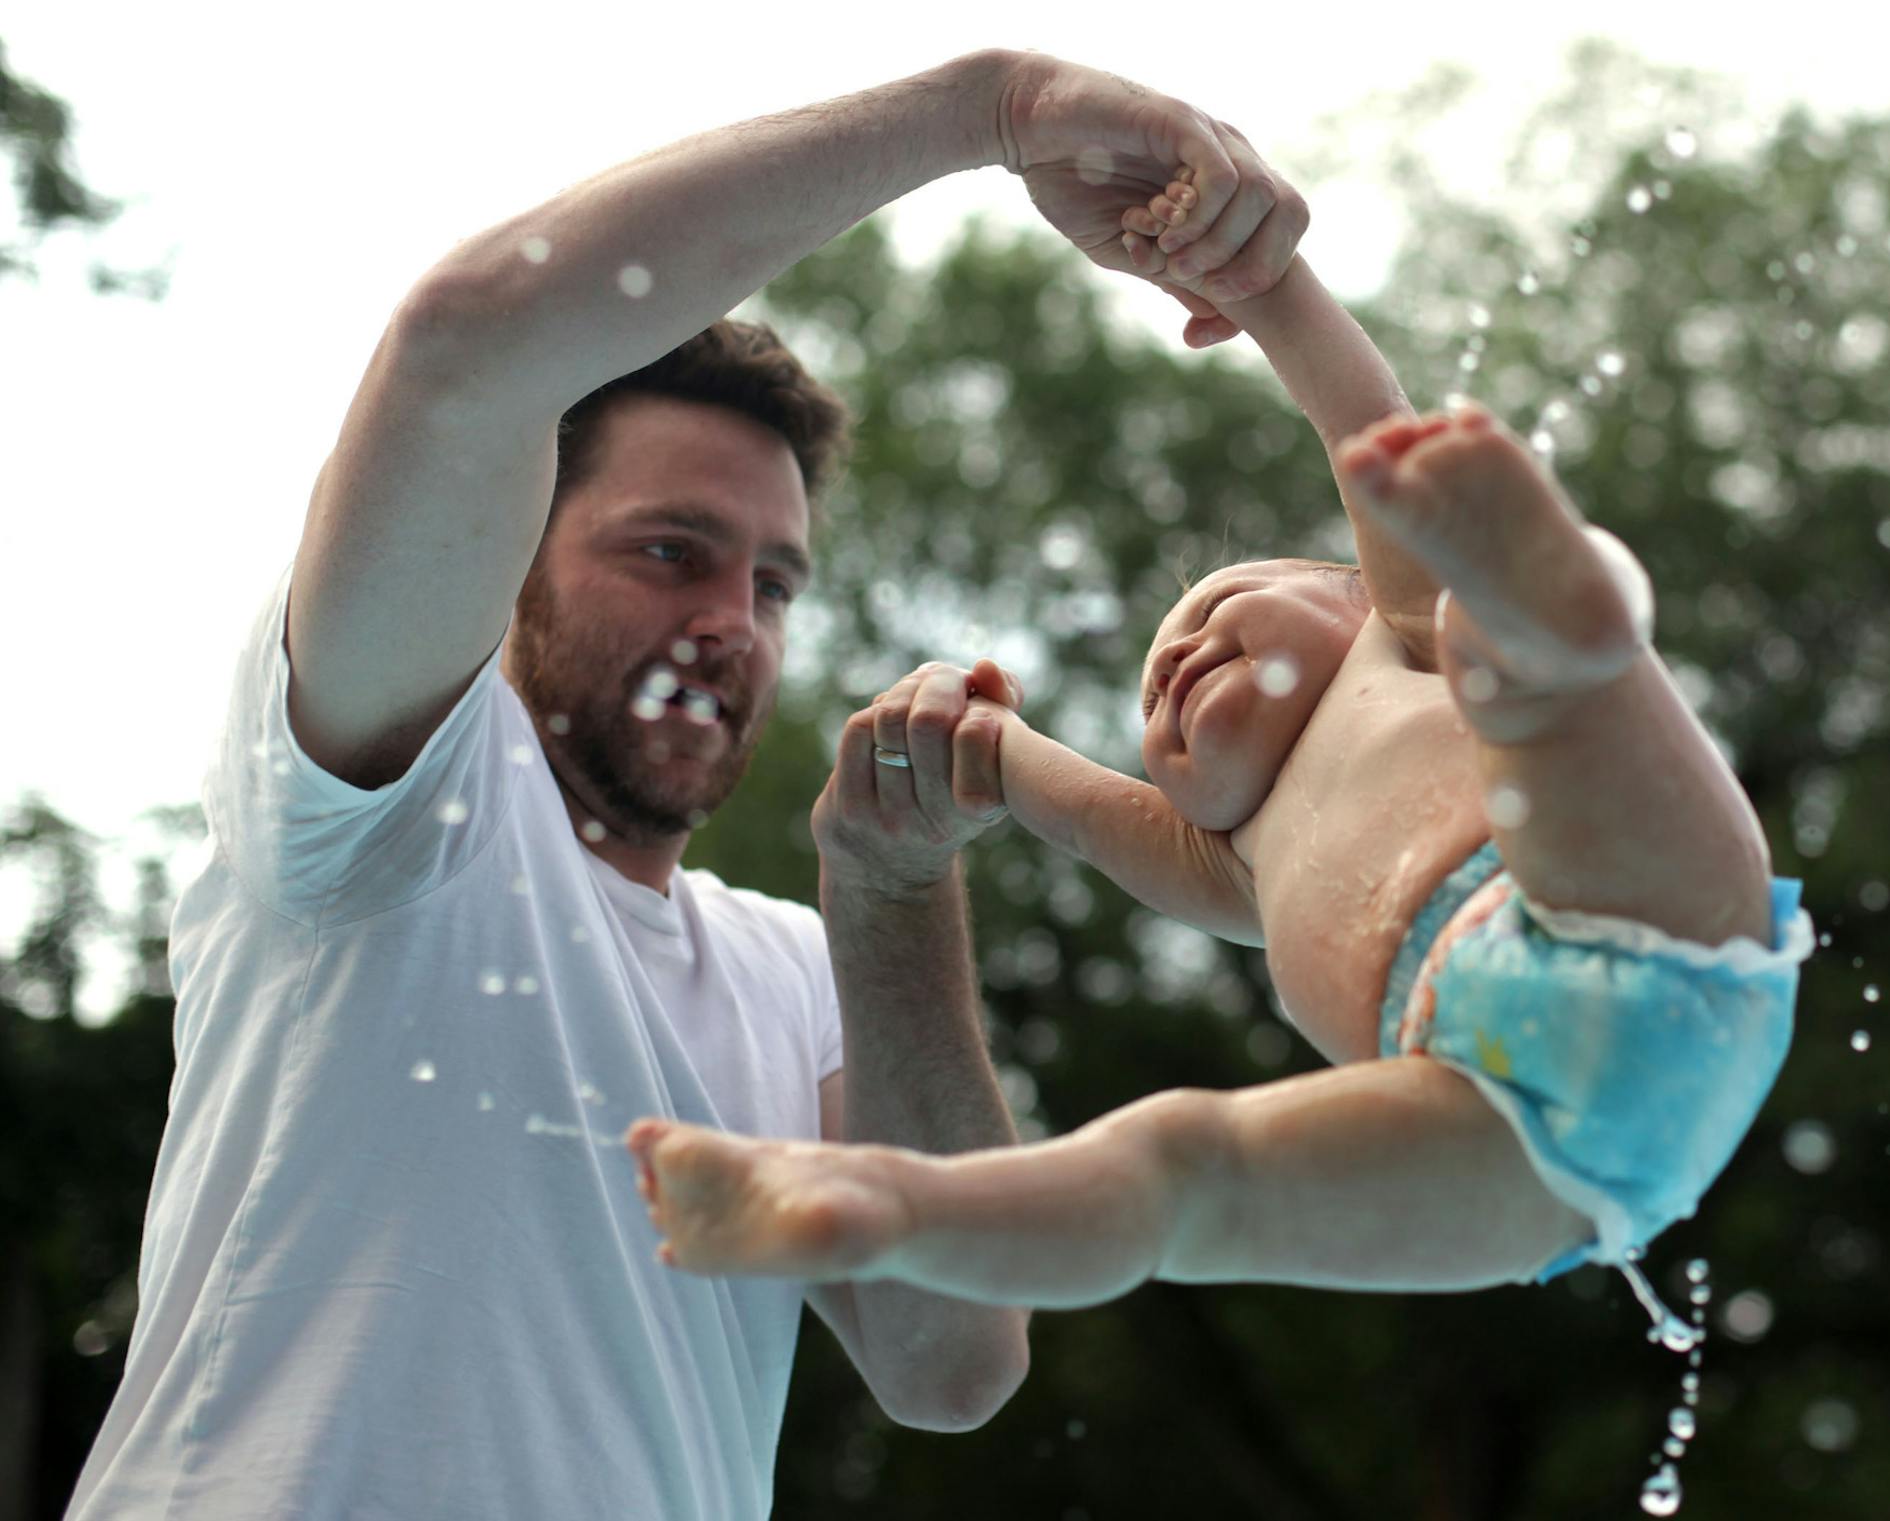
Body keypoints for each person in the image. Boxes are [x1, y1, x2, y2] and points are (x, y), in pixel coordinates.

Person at [66, 58, 1309, 1520]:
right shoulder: (385, 805)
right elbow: (468, 342)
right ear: (509, 560)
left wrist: (894, 895)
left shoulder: (796, 967)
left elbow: (953, 1360)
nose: (733, 616)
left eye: (772, 581)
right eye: (670, 550)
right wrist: (996, 112)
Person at [625, 171, 1814, 1310]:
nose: (1174, 667)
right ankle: (884, 1219)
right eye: (1155, 709)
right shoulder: (1226, 860)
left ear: (1347, 589)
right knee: (1187, 1173)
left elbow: (1360, 422)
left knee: (1511, 666)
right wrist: (957, 731)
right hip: (1519, 1150)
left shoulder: (1396, 640)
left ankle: (1566, 606)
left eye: (1207, 611)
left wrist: (1265, 288)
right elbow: (1041, 786)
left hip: (1636, 913)